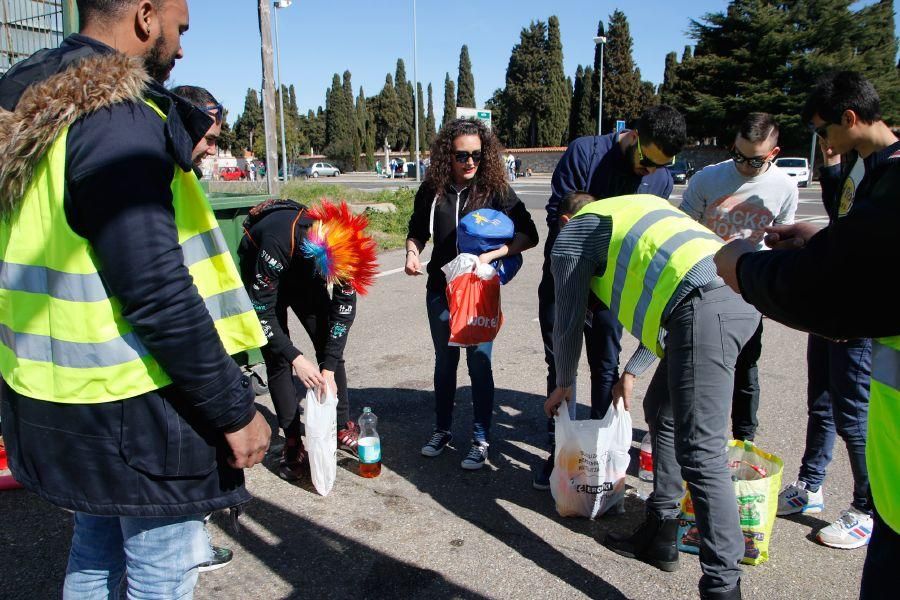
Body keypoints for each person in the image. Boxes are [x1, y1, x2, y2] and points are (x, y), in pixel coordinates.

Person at [0, 2, 271, 597]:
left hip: (60, 398)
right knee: (161, 567)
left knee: (96, 553)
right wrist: (233, 409)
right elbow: (156, 288)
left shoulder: (34, 104)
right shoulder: (118, 119)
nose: (182, 46)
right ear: (146, 17)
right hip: (137, 407)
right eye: (180, 27)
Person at [714, 71, 900, 597]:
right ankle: (811, 484)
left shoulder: (893, 175)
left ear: (851, 117)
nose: (823, 143)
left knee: (853, 413)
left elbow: (839, 282)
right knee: (821, 401)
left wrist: (747, 269)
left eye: (824, 130)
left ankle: (863, 505)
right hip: (843, 329)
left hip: (866, 338)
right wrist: (816, 236)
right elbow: (856, 242)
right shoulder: (866, 169)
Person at [546, 190, 758, 600]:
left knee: (701, 451)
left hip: (706, 307)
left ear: (565, 221)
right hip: (734, 296)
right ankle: (660, 533)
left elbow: (569, 321)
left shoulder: (575, 233)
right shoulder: (638, 208)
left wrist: (564, 382)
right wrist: (633, 371)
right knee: (660, 411)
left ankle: (722, 586)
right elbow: (671, 292)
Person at [534, 105, 685, 490]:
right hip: (566, 278)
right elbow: (560, 219)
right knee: (560, 362)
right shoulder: (585, 153)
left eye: (661, 166)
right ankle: (561, 452)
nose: (651, 173)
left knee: (606, 366)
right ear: (633, 135)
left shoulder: (661, 180)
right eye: (647, 161)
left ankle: (597, 456)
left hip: (612, 290)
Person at [405, 118, 538, 470]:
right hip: (442, 289)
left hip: (479, 291)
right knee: (445, 363)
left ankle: (480, 438)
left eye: (477, 155)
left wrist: (493, 256)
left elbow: (529, 234)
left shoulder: (495, 190)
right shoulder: (432, 189)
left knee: (479, 363)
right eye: (462, 155)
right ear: (447, 154)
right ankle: (442, 430)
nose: (469, 163)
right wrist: (411, 252)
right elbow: (418, 230)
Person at [679, 112, 798, 441]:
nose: (745, 165)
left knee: (745, 369)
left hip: (748, 291)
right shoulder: (706, 179)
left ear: (773, 154)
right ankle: (691, 436)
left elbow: (781, 242)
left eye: (755, 160)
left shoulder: (785, 187)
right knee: (694, 367)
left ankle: (744, 440)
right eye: (738, 155)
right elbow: (681, 229)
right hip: (701, 285)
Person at [238, 199, 377, 480]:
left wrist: (328, 367)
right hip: (264, 270)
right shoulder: (278, 241)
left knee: (329, 344)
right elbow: (262, 313)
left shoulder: (345, 248)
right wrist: (296, 358)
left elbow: (343, 313)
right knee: (277, 360)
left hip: (304, 270)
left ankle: (342, 424)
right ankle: (292, 442)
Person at [171, 84, 237, 573]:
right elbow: (166, 292)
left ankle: (194, 542)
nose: (212, 150)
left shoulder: (177, 173)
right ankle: (190, 548)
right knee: (160, 554)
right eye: (209, 138)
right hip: (171, 363)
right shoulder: (161, 175)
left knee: (99, 540)